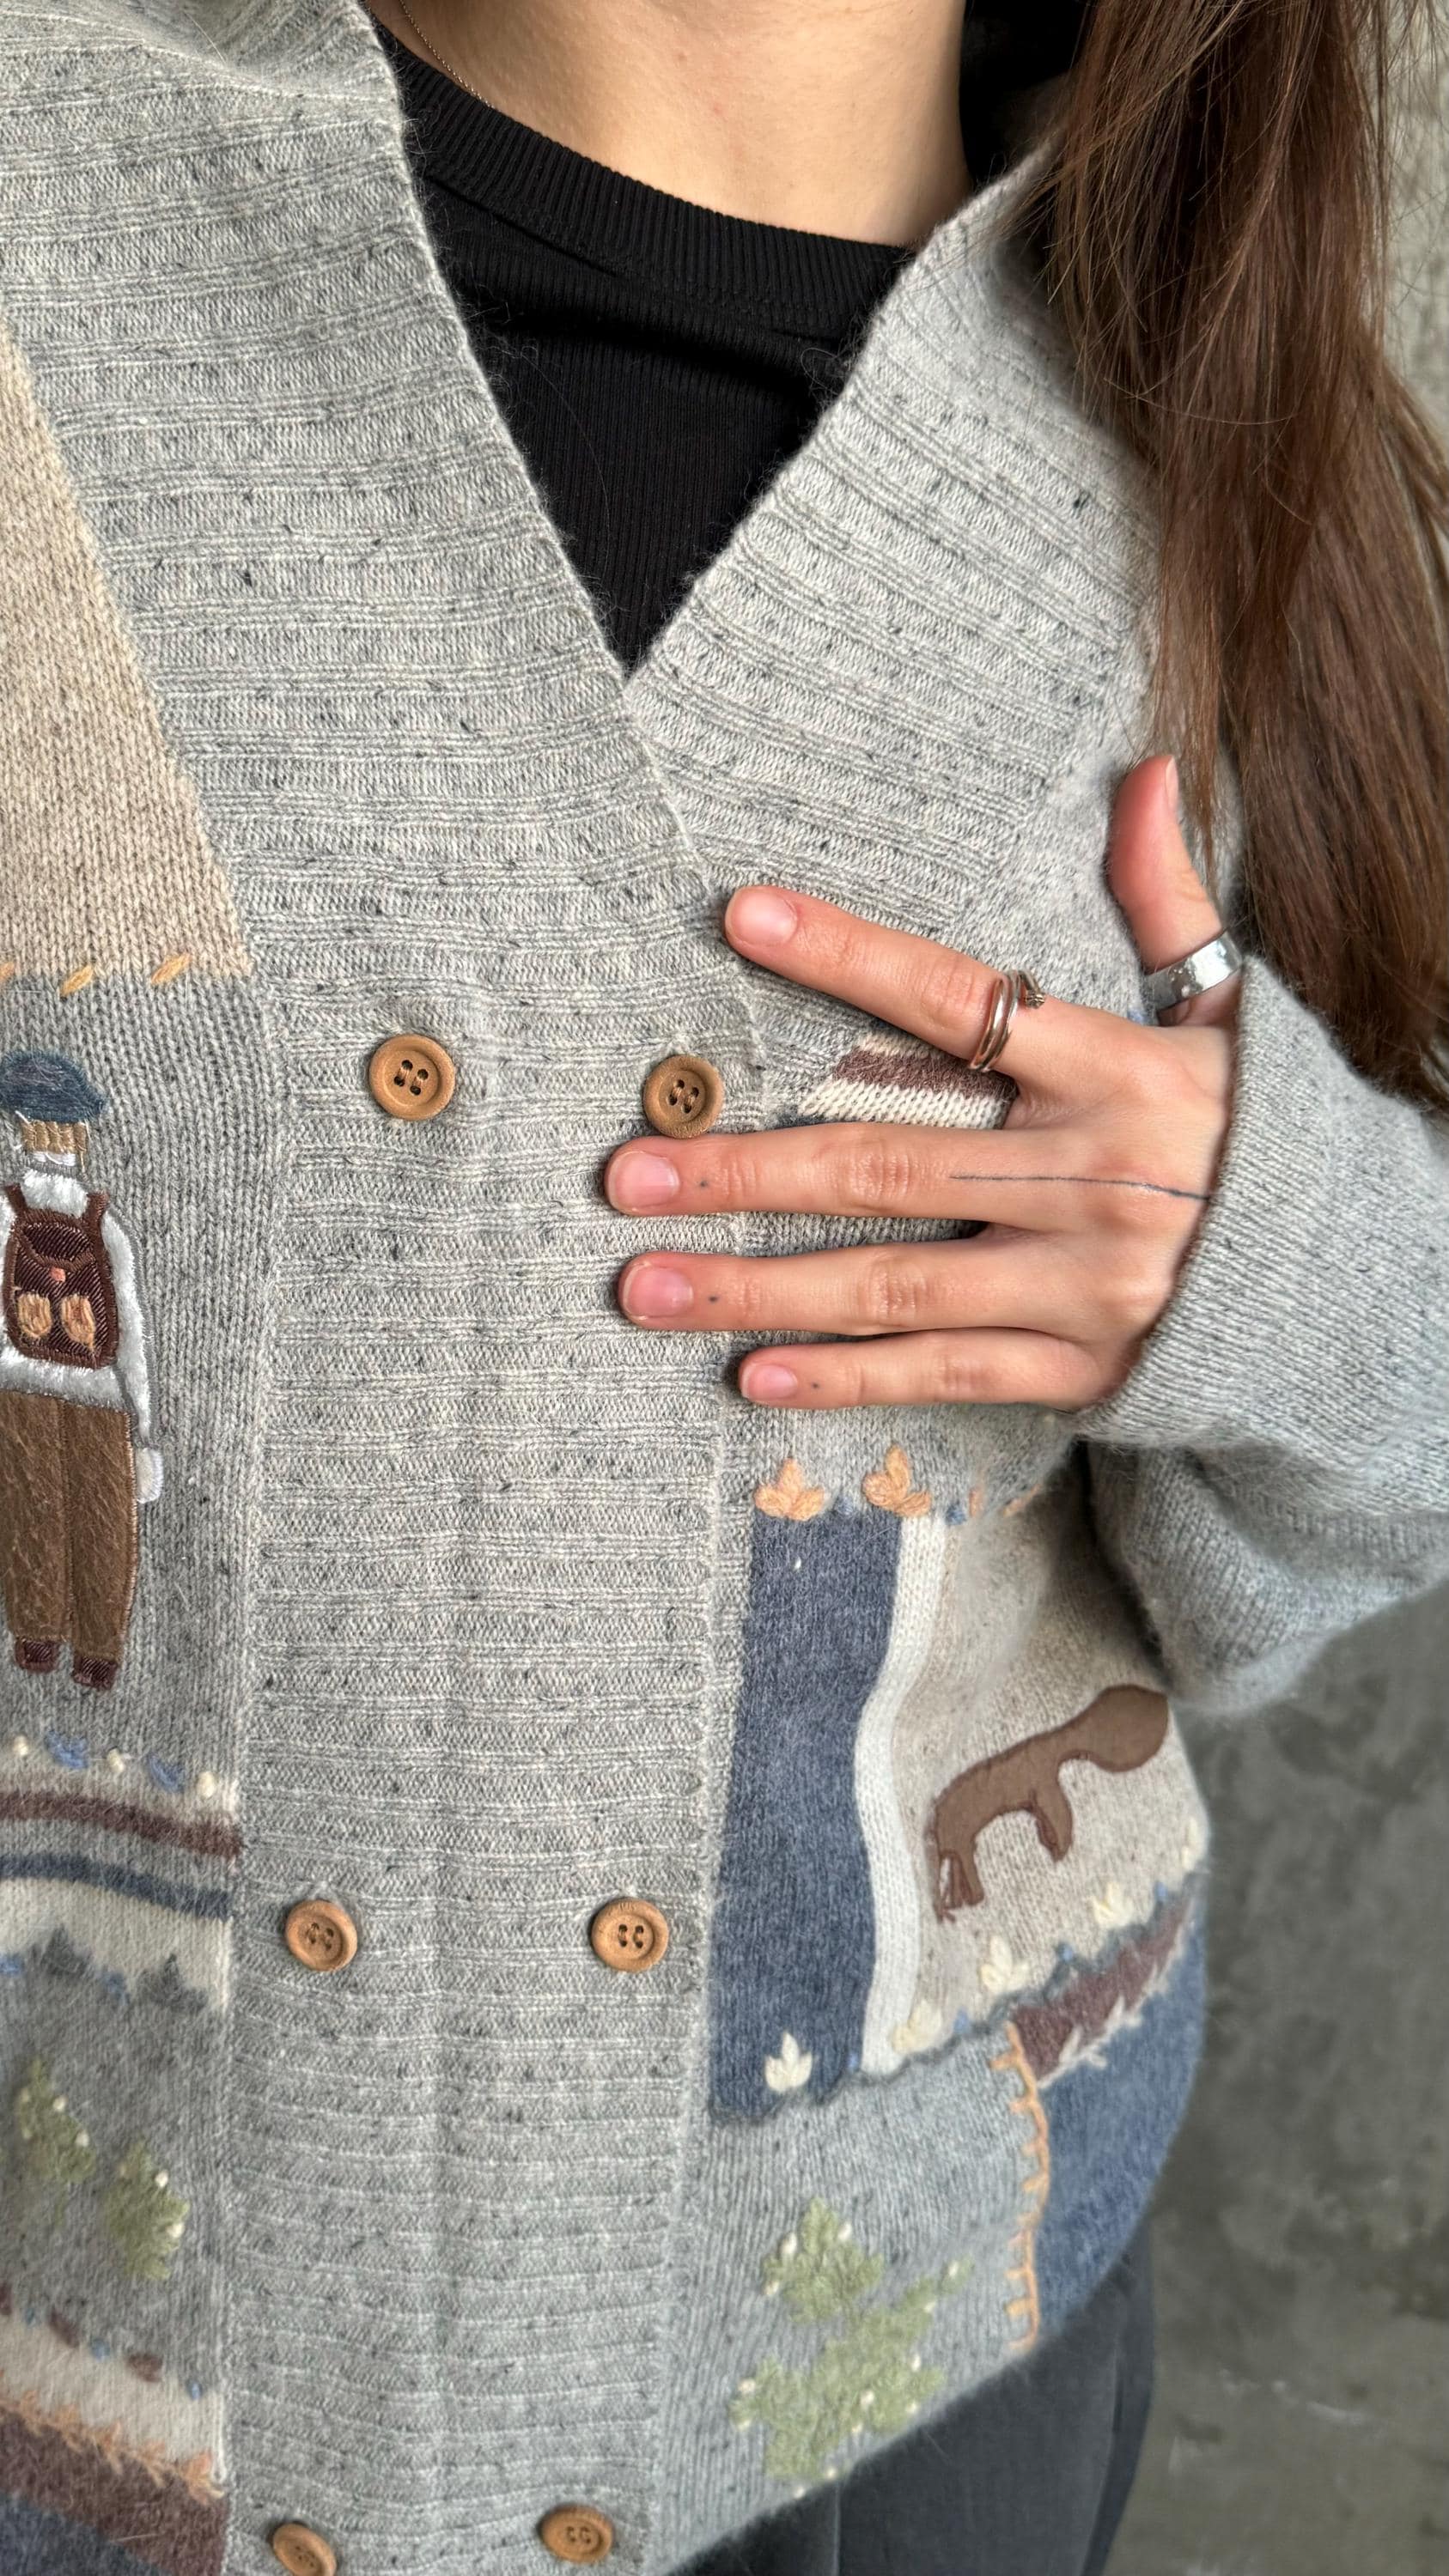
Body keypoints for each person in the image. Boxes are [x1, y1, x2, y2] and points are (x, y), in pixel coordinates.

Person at [0, 4, 1444, 2575]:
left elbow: (1362, 1484)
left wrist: (1272, 1248)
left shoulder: (1240, 444)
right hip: (85, 2335)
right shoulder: (51, 239)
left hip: (899, 2373)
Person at [0, 1051, 162, 1692]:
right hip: (101, 1397)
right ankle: (99, 1656)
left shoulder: (5, 1215)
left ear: (20, 1128)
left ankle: (36, 1647)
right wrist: (144, 1432)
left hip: (17, 1393)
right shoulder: (104, 1226)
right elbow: (130, 1339)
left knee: (31, 1518)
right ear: (80, 1135)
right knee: (104, 1531)